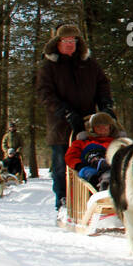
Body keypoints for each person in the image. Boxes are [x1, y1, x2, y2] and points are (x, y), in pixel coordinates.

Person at [35, 23, 115, 210]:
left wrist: (106, 105)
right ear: (58, 43)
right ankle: (63, 201)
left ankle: (95, 198)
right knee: (61, 165)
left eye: (73, 40)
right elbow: (44, 93)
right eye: (66, 41)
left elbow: (103, 84)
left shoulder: (90, 64)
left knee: (95, 161)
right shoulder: (49, 66)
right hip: (61, 125)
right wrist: (65, 111)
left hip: (89, 124)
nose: (70, 44)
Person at [65, 113, 120, 192]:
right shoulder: (82, 142)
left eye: (105, 125)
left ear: (110, 127)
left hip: (112, 168)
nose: (102, 128)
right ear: (92, 129)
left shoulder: (118, 142)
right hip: (89, 168)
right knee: (89, 173)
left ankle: (107, 187)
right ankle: (99, 191)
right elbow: (70, 156)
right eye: (98, 126)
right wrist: (78, 165)